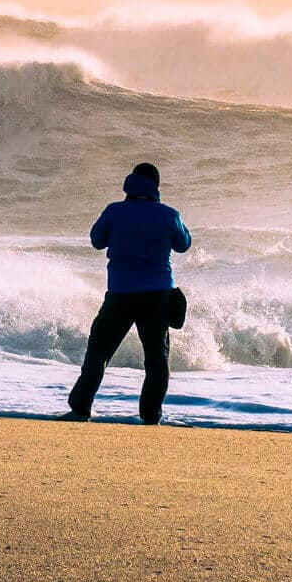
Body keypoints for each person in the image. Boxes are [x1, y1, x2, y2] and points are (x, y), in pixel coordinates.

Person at [63, 162, 191, 424]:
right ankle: (151, 415)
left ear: (130, 183)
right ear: (156, 186)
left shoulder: (114, 211)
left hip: (120, 293)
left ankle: (80, 408)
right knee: (156, 359)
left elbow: (97, 240)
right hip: (157, 295)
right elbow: (183, 244)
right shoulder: (168, 214)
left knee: (98, 354)